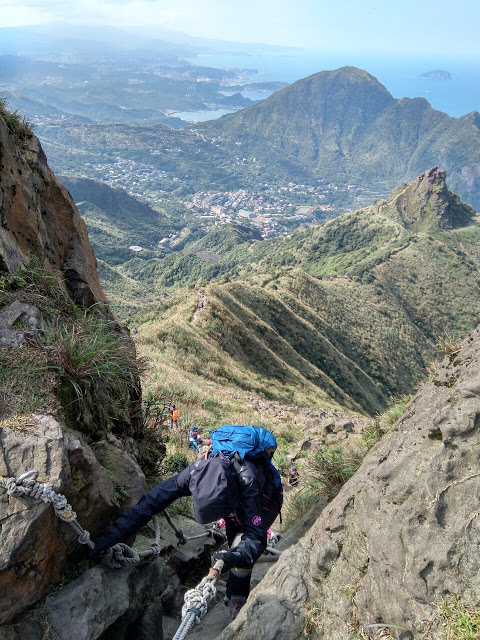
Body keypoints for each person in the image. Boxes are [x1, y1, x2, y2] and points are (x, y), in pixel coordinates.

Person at [90, 426, 283, 620]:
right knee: (235, 540)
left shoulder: (249, 482)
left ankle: (238, 597)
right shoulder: (195, 472)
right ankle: (235, 584)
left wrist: (236, 557)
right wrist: (110, 537)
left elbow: (256, 536)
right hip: (236, 497)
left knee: (240, 543)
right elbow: (150, 503)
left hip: (267, 499)